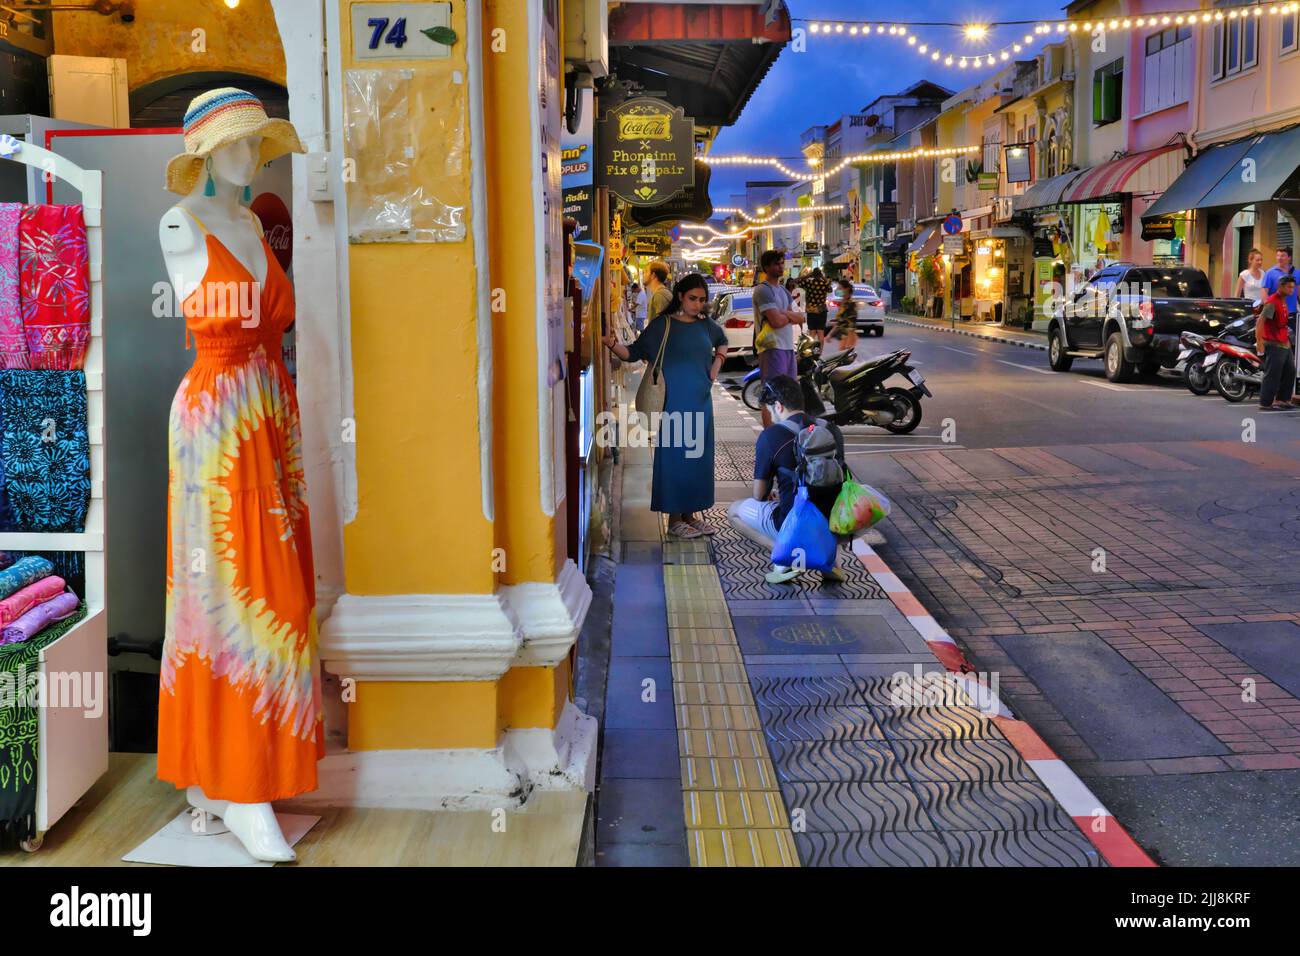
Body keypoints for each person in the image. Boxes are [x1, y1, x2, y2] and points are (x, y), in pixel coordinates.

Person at [603, 273, 728, 537]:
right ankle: (674, 520)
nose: (697, 304)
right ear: (680, 296)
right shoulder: (663, 325)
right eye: (693, 298)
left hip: (701, 403)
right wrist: (612, 344)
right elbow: (634, 352)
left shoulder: (707, 325)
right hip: (674, 404)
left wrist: (716, 366)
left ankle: (690, 516)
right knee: (676, 460)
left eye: (702, 300)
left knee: (697, 460)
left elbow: (722, 341)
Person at [727, 375, 884, 584]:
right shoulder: (830, 430)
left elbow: (759, 495)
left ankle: (784, 550)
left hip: (792, 523)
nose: (771, 417)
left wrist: (777, 492)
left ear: (779, 406)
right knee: (825, 506)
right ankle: (830, 561)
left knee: (735, 511)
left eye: (770, 410)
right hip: (839, 522)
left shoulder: (771, 436)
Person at [753, 249, 805, 428]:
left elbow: (801, 317)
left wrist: (785, 314)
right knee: (772, 393)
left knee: (788, 394)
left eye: (782, 262)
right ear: (766, 267)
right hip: (771, 348)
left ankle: (782, 431)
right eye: (776, 263)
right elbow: (775, 321)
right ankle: (770, 434)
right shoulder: (763, 290)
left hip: (788, 347)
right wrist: (789, 316)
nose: (781, 266)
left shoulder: (783, 290)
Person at [1257, 273, 1297, 410]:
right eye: (1289, 287)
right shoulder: (1272, 302)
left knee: (1290, 371)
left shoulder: (1283, 300)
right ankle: (1265, 402)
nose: (1292, 290)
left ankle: (1282, 400)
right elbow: (1260, 322)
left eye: (1293, 287)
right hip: (1273, 343)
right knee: (1273, 374)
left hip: (1283, 342)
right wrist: (1260, 343)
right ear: (1281, 286)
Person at [1262, 246, 1299, 339]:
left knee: (1293, 341)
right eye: (1278, 255)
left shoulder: (1297, 273)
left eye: (1282, 256)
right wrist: (1269, 313)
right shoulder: (1270, 273)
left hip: (1291, 313)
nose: (1279, 258)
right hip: (1276, 313)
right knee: (1275, 341)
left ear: (1289, 257)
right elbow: (1264, 292)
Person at [822, 279, 859, 359]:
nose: (838, 290)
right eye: (838, 288)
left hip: (849, 336)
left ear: (847, 289)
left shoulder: (851, 304)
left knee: (844, 361)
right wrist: (829, 335)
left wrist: (849, 344)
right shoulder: (843, 302)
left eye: (840, 288)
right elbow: (839, 322)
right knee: (841, 360)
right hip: (843, 336)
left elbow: (852, 325)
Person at [798, 267, 833, 344]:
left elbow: (798, 281)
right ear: (820, 274)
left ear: (813, 275)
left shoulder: (809, 283)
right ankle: (819, 353)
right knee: (821, 333)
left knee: (812, 333)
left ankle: (812, 353)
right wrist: (823, 278)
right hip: (822, 311)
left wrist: (807, 276)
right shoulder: (824, 283)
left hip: (811, 311)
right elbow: (830, 289)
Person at [645, 260, 672, 326]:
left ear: (653, 275)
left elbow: (662, 326)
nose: (644, 274)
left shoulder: (660, 295)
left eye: (646, 271)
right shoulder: (660, 293)